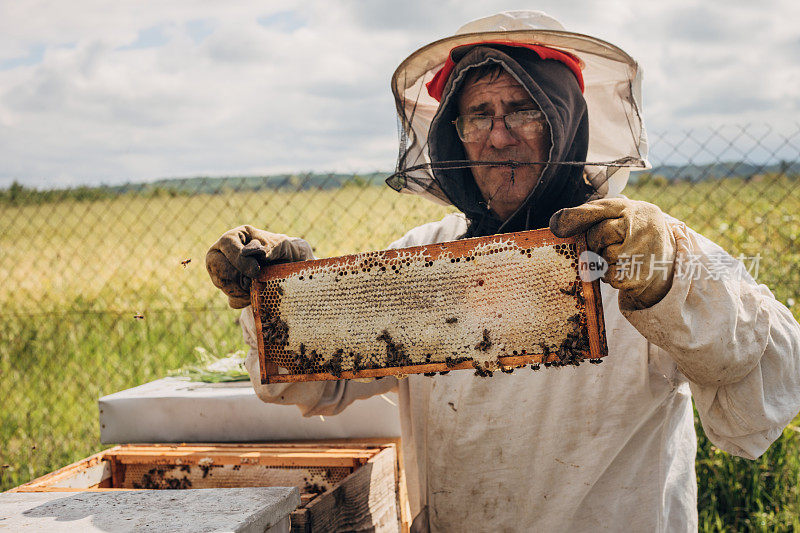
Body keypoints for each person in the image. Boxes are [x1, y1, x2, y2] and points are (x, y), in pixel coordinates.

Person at [205, 11, 800, 532]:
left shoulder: (639, 247)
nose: (499, 134)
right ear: (453, 137)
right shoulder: (425, 255)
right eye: (477, 115)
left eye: (523, 109)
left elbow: (775, 378)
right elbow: (312, 381)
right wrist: (276, 294)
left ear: (565, 120)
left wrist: (673, 281)